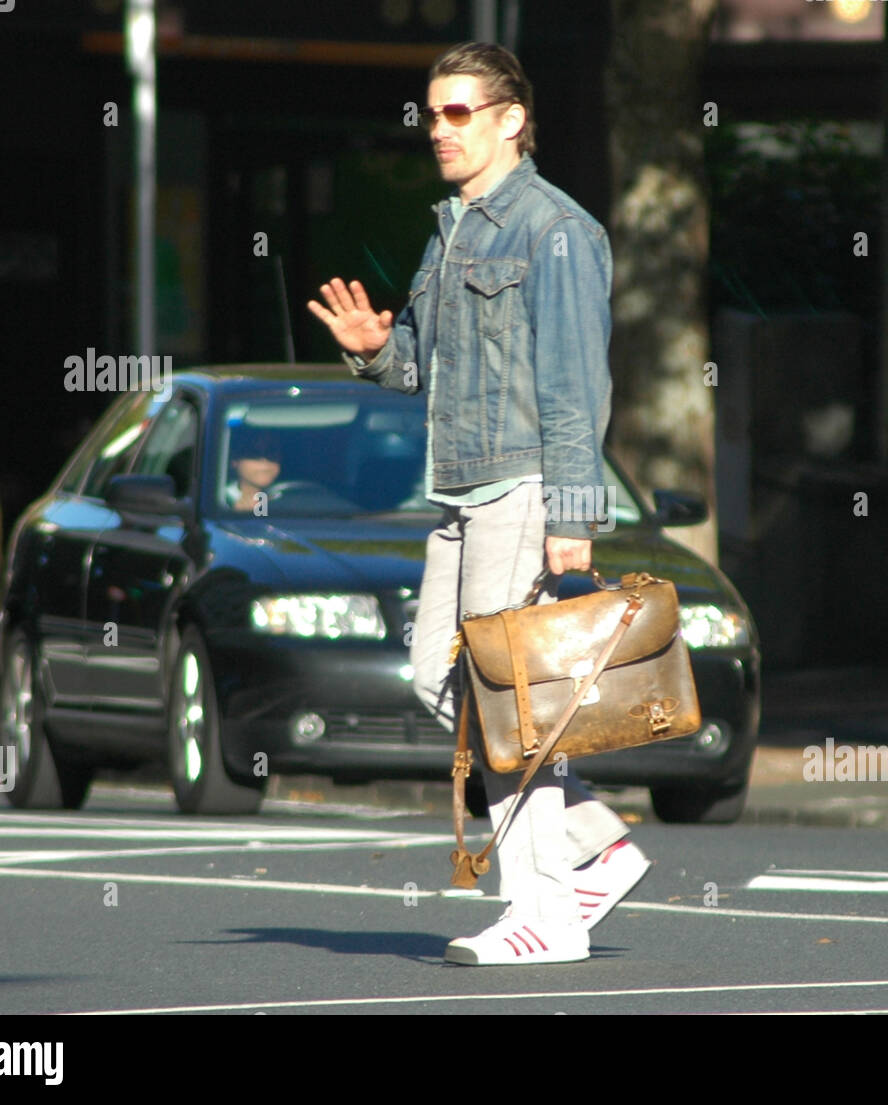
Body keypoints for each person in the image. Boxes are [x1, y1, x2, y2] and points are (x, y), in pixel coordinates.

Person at [307, 41, 649, 966]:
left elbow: (578, 385)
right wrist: (377, 346)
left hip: (525, 489)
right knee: (439, 680)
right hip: (459, 491)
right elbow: (416, 368)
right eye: (432, 113)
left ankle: (544, 912)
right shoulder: (451, 228)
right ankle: (597, 847)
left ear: (511, 120)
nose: (439, 129)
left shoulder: (555, 230)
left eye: (459, 112)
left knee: (508, 705)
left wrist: (573, 516)